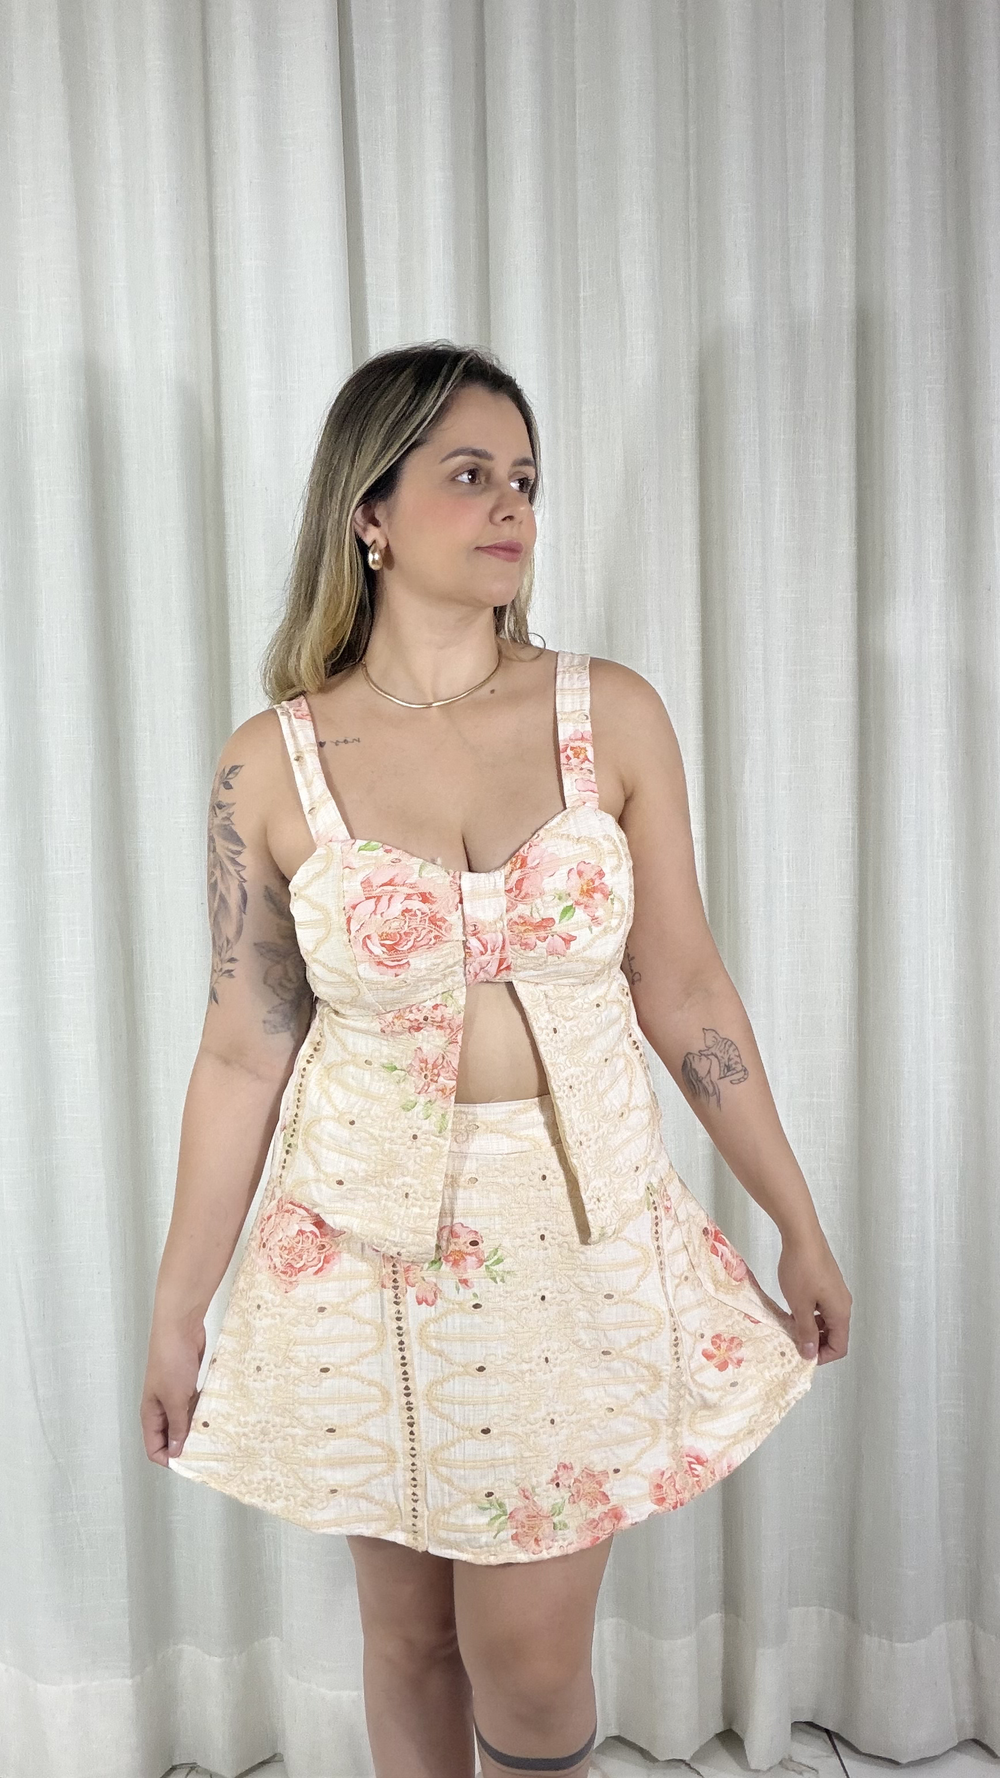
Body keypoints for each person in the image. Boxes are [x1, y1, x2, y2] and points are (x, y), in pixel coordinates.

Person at [141, 341, 851, 1778]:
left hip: (574, 1234)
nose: (511, 503)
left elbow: (685, 988)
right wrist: (177, 1309)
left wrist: (797, 1217)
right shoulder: (271, 762)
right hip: (357, 1245)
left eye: (523, 477)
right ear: (371, 511)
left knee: (527, 1667)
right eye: (468, 474)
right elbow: (241, 1053)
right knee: (408, 1642)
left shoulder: (612, 715)